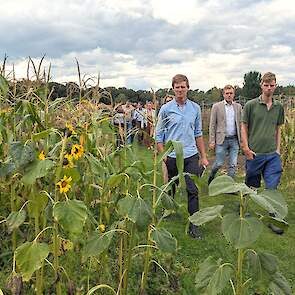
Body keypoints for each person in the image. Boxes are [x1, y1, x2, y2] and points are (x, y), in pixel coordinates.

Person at [155, 74, 209, 240]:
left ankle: (194, 224)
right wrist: (163, 154)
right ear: (173, 88)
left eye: (183, 86)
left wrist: (204, 156)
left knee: (192, 190)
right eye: (177, 87)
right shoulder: (166, 109)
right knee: (171, 186)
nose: (180, 90)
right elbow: (159, 134)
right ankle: (168, 210)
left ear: (188, 88)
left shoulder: (195, 108)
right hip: (172, 155)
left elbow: (198, 133)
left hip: (191, 154)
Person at [241, 72, 285, 234]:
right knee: (251, 185)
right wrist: (245, 148)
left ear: (275, 85)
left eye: (271, 85)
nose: (268, 88)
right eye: (266, 85)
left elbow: (278, 128)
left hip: (272, 154)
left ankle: (272, 218)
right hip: (255, 153)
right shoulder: (251, 105)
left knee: (271, 188)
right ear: (261, 86)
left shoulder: (279, 107)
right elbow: (244, 126)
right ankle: (243, 208)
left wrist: (278, 149)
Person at [208, 85, 242, 184]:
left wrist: (243, 140)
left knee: (233, 164)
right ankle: (211, 176)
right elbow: (212, 124)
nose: (229, 95)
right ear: (223, 94)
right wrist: (211, 141)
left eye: (231, 93)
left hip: (234, 139)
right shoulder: (217, 107)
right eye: (227, 93)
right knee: (219, 163)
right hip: (221, 139)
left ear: (234, 94)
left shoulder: (238, 107)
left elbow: (240, 123)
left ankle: (229, 185)